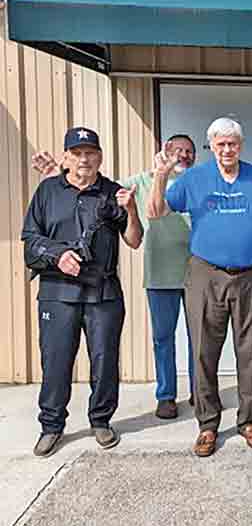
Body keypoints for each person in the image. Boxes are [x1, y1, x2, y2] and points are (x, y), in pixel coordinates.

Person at [31, 135, 198, 420]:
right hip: (160, 273)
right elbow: (90, 187)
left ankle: (200, 392)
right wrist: (57, 175)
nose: (182, 155)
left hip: (197, 274)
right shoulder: (140, 182)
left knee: (199, 338)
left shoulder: (200, 182)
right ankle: (166, 396)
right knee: (163, 338)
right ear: (163, 152)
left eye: (189, 151)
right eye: (177, 150)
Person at [148, 117, 252, 458]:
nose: (227, 150)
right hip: (206, 273)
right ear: (212, 146)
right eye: (221, 144)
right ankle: (208, 425)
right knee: (204, 351)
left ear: (241, 145)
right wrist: (162, 176)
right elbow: (157, 211)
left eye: (233, 144)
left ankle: (249, 420)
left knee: (249, 349)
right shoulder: (194, 178)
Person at [22, 127, 144, 457]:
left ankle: (101, 421)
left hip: (103, 292)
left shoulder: (114, 192)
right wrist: (58, 256)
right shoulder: (47, 191)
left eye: (90, 152)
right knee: (56, 361)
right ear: (65, 158)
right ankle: (51, 426)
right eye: (76, 153)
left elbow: (134, 240)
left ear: (100, 156)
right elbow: (30, 241)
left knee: (105, 361)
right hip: (57, 292)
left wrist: (131, 210)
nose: (84, 159)